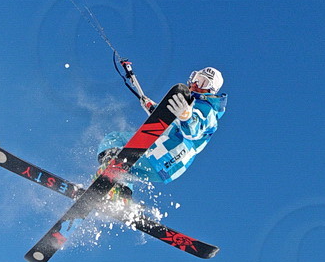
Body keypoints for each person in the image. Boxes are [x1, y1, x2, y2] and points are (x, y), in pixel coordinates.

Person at [97, 67, 227, 186]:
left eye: (203, 82)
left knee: (116, 141)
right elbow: (166, 119)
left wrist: (186, 116)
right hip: (163, 165)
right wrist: (151, 106)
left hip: (167, 156)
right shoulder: (188, 103)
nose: (195, 84)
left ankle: (113, 161)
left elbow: (193, 131)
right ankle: (121, 195)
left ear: (211, 90)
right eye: (196, 79)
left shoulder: (207, 109)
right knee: (124, 163)